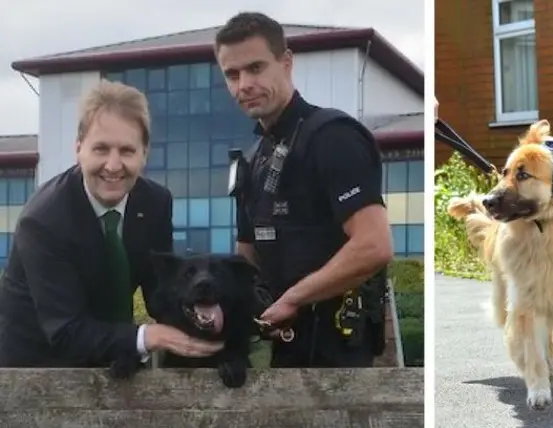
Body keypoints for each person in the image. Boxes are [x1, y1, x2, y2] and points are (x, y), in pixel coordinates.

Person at [0, 80, 223, 368]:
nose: (114, 165)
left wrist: (205, 315)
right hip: (39, 369)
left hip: (114, 354)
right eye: (101, 149)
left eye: (127, 151)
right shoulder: (42, 222)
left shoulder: (155, 202)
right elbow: (65, 331)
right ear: (78, 148)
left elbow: (161, 292)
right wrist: (147, 337)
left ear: (145, 153)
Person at [215, 12, 394, 368]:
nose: (243, 84)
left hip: (340, 354)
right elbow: (246, 260)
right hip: (281, 349)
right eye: (232, 75)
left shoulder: (333, 136)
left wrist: (294, 298)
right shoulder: (253, 159)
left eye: (255, 68)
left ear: (286, 62)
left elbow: (374, 245)